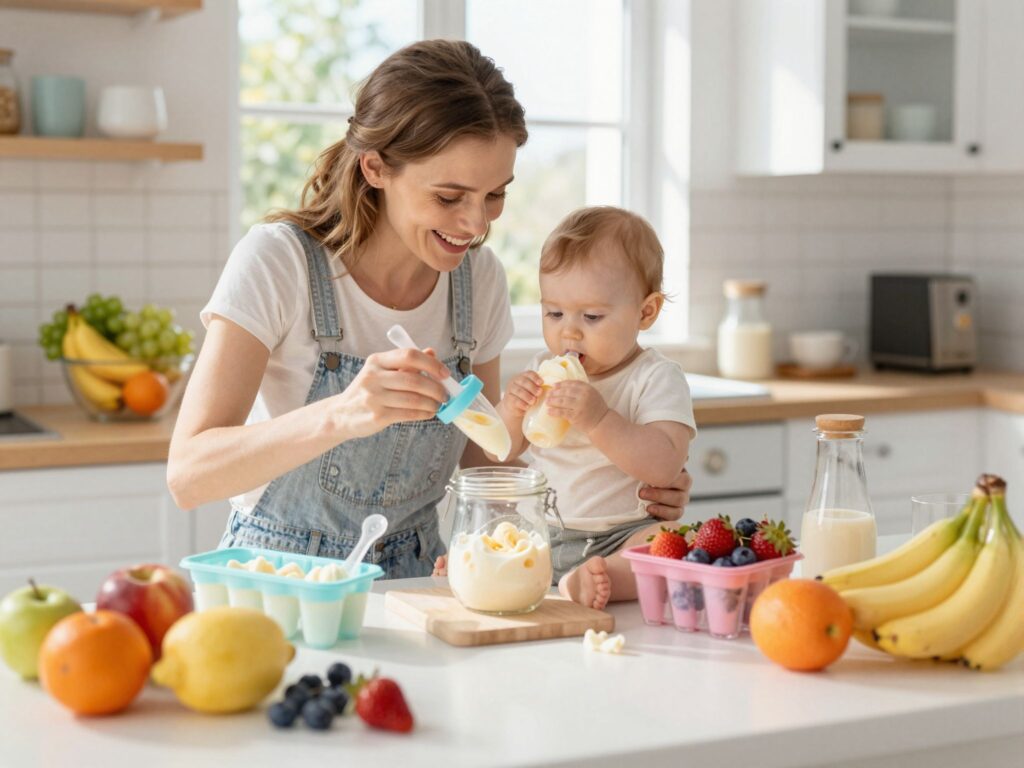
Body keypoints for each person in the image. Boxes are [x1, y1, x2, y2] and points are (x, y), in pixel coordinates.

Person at [167, 41, 691, 579]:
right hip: (280, 577)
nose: (475, 224)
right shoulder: (280, 261)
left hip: (419, 578)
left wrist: (618, 483)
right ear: (375, 167)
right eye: (449, 197)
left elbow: (483, 463)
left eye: (495, 195)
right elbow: (190, 475)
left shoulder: (477, 281)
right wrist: (341, 414)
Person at [438, 207, 696, 609]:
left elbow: (663, 465)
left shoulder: (656, 377)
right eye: (554, 313)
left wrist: (599, 418)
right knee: (500, 529)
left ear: (646, 312)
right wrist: (512, 408)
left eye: (592, 316)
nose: (568, 331)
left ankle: (597, 577)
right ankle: (480, 566)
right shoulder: (542, 368)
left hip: (625, 532)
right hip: (544, 529)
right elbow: (500, 450)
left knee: (671, 546)